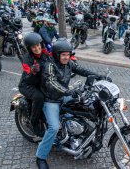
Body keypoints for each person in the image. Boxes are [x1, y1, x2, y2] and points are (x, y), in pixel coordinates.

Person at [36, 38, 110, 169]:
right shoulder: (50, 65)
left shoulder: (69, 63)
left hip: (63, 96)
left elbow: (82, 70)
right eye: (63, 55)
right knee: (53, 127)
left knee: (84, 108)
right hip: (51, 100)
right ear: (57, 54)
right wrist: (69, 91)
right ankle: (40, 157)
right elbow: (51, 82)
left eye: (68, 54)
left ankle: (76, 134)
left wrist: (99, 76)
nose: (66, 57)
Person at [18, 33, 48, 136]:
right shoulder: (26, 59)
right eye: (34, 47)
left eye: (38, 45)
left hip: (40, 83)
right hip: (27, 85)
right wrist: (33, 71)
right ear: (29, 48)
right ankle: (34, 122)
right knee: (39, 97)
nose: (37, 48)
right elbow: (28, 77)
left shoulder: (45, 53)